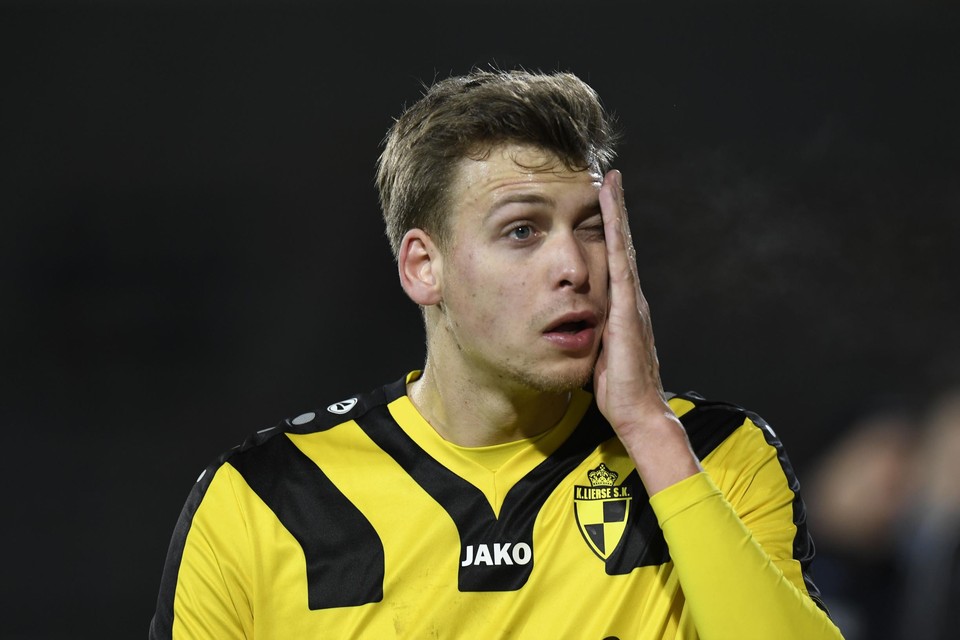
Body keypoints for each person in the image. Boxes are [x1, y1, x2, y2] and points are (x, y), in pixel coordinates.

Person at [149, 68, 844, 639]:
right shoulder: (265, 500)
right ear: (424, 267)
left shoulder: (716, 457)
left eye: (591, 228)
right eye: (522, 231)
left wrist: (648, 430)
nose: (573, 267)